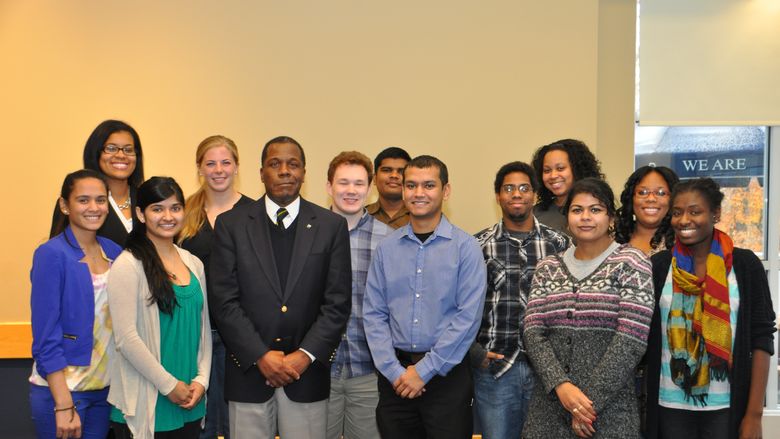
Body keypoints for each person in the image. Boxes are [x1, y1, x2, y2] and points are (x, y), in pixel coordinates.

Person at [209, 136, 351, 439]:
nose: (284, 171)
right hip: (248, 373)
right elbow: (223, 301)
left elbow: (337, 303)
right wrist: (261, 355)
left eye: (293, 164)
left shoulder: (330, 226)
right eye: (275, 164)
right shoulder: (231, 225)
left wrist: (304, 355)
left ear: (303, 173)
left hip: (307, 376)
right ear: (261, 173)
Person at [364, 155, 487, 439]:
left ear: (446, 191)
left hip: (447, 377)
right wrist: (395, 371)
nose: (419, 193)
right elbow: (373, 315)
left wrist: (424, 371)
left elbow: (467, 319)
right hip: (395, 380)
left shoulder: (466, 248)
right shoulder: (386, 249)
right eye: (412, 185)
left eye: (429, 185)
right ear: (403, 190)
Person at [523, 177, 654, 439]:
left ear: (611, 218)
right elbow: (533, 333)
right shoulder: (548, 267)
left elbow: (630, 340)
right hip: (549, 410)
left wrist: (584, 406)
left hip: (610, 414)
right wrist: (562, 387)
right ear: (567, 218)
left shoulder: (631, 262)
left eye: (595, 210)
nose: (586, 217)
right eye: (577, 210)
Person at [644, 178, 776, 439]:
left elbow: (762, 339)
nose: (684, 220)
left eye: (695, 211)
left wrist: (753, 415)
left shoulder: (745, 265)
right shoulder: (659, 266)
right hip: (669, 404)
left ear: (715, 214)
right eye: (677, 212)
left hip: (726, 406)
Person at [470, 161, 570, 438]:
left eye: (524, 188)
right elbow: (460, 305)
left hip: (548, 372)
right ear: (498, 196)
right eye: (509, 188)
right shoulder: (477, 245)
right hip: (496, 368)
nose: (517, 194)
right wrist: (474, 353)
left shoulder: (560, 244)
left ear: (535, 195)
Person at [107, 177, 212, 439]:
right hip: (149, 398)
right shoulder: (128, 265)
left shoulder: (194, 263)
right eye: (157, 209)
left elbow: (203, 329)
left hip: (190, 399)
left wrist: (202, 380)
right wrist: (169, 386)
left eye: (175, 208)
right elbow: (126, 339)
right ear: (141, 214)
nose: (168, 216)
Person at [30, 169, 123, 439]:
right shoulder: (51, 254)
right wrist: (63, 404)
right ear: (64, 205)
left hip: (104, 392)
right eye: (83, 200)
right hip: (64, 393)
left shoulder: (115, 252)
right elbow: (45, 337)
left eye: (100, 200)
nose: (94, 207)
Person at [178, 135, 252, 439]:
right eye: (210, 163)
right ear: (199, 168)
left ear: (236, 167)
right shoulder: (183, 213)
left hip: (239, 334)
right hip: (194, 331)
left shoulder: (254, 213)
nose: (218, 169)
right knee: (199, 423)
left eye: (225, 162)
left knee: (238, 423)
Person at [324, 151, 391, 439]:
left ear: (370, 187)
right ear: (329, 186)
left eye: (359, 183)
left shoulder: (388, 239)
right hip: (317, 369)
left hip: (368, 369)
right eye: (343, 183)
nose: (351, 191)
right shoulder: (308, 234)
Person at [50, 119, 145, 246]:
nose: (121, 155)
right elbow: (59, 250)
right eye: (111, 148)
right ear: (96, 153)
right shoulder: (76, 201)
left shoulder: (147, 199)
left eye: (128, 150)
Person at [531, 139, 603, 236]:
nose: (553, 176)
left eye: (560, 168)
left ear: (577, 169)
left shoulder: (598, 210)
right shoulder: (534, 214)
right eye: (547, 170)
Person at [615, 166, 679, 256]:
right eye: (642, 192)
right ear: (631, 198)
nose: (651, 199)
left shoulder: (682, 243)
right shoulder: (610, 240)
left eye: (661, 193)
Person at [366, 146, 412, 229]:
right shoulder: (361, 216)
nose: (394, 175)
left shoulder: (422, 216)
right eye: (386, 170)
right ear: (375, 178)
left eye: (401, 171)